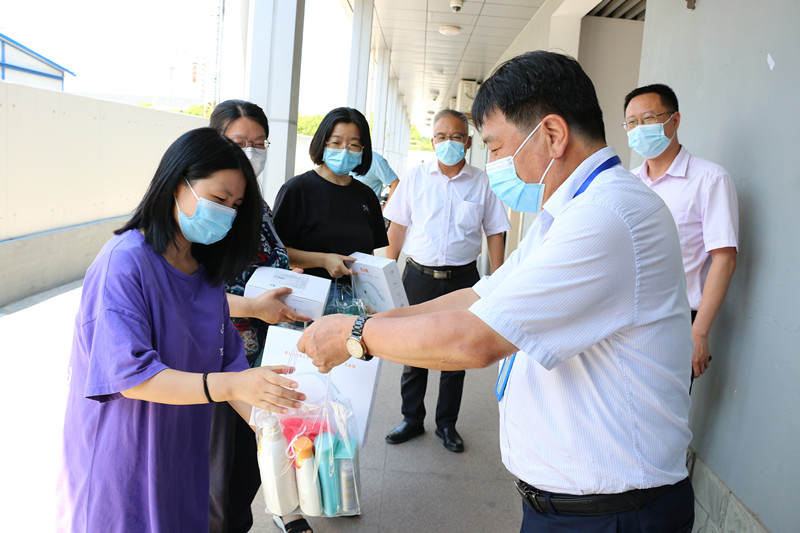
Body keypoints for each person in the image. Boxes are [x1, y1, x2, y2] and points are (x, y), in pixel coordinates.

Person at [297, 51, 696, 532]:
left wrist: (353, 335)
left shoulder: (606, 217)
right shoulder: (570, 212)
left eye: (496, 146)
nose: (492, 163)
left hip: (612, 513)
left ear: (552, 134)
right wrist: (370, 321)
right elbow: (476, 298)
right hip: (576, 504)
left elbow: (475, 339)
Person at [57, 128, 306, 533]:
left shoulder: (206, 273)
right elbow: (132, 376)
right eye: (218, 199)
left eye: (236, 206)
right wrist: (234, 385)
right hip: (123, 458)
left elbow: (230, 365)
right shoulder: (124, 262)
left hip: (182, 451)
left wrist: (276, 429)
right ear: (177, 184)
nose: (226, 214)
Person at [208, 100, 313, 533]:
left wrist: (289, 279)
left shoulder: (256, 202)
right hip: (223, 358)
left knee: (253, 461)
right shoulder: (209, 210)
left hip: (266, 351)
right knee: (224, 477)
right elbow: (188, 295)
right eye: (239, 142)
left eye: (259, 143)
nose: (250, 152)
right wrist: (253, 307)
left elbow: (267, 259)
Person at [382, 109, 510, 453]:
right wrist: (384, 276)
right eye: (441, 137)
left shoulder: (483, 182)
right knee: (413, 351)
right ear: (432, 141)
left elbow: (495, 231)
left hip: (463, 279)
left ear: (468, 142)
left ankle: (446, 425)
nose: (448, 142)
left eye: (456, 137)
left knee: (457, 355)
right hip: (418, 276)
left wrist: (499, 281)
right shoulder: (415, 178)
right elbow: (397, 228)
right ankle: (411, 418)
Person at [624, 84, 738, 385]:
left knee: (661, 410)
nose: (639, 128)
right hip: (623, 318)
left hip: (675, 321)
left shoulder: (709, 179)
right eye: (632, 122)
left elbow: (724, 260)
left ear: (674, 120)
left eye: (648, 119)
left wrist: (698, 333)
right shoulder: (627, 183)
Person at [273, 107, 389, 309]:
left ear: (363, 150)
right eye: (336, 143)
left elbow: (368, 255)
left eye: (354, 145)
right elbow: (277, 253)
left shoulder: (367, 196)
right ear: (323, 143)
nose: (344, 150)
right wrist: (323, 260)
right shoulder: (296, 190)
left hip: (356, 300)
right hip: (307, 299)